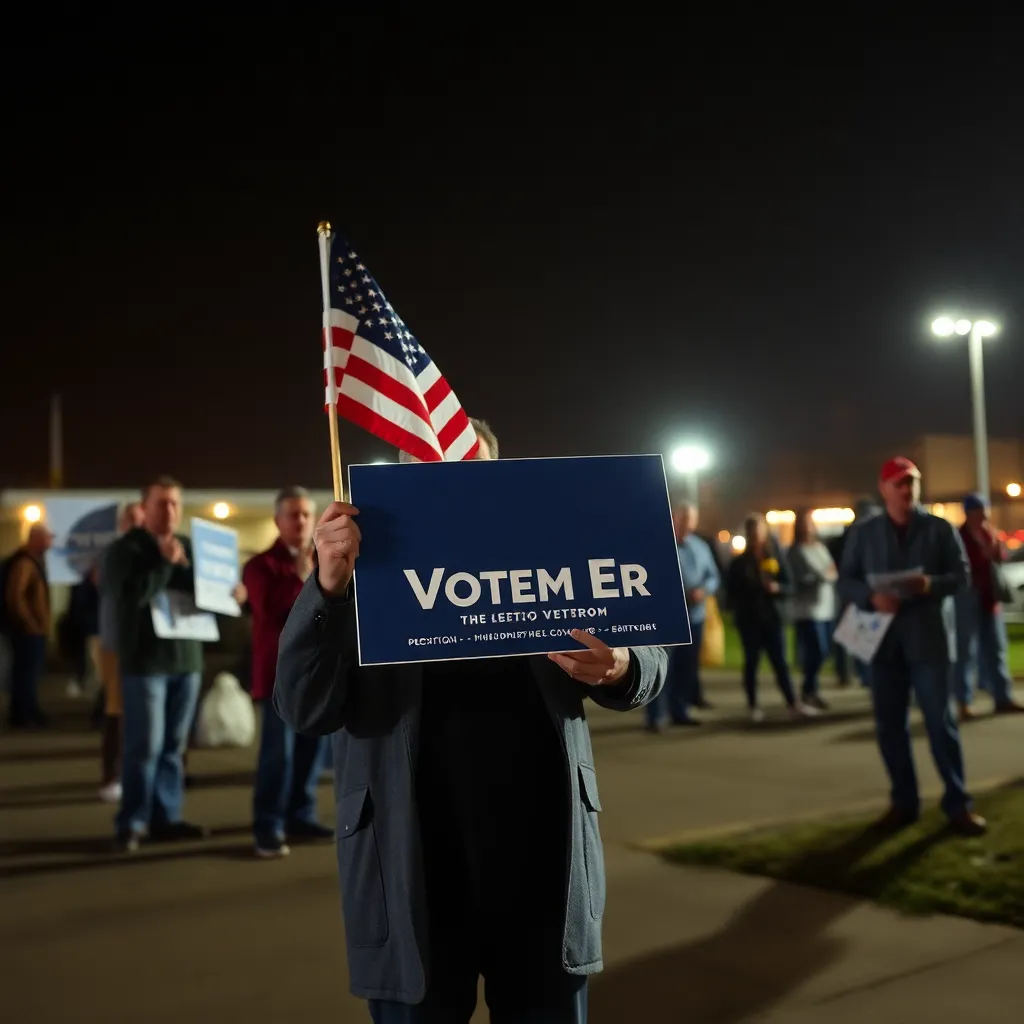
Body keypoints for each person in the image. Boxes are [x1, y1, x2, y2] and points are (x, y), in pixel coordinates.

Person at [274, 421, 667, 1023]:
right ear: (399, 477)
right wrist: (328, 588)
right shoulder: (360, 572)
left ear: (498, 476)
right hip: (414, 876)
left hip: (543, 870)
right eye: (426, 467)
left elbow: (650, 655)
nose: (447, 481)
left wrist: (619, 665)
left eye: (465, 466)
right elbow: (303, 706)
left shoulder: (552, 546)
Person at [838, 456, 984, 836]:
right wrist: (871, 597)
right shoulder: (865, 533)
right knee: (890, 727)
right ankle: (904, 802)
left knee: (940, 724)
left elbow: (962, 577)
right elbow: (845, 581)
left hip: (928, 643)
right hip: (883, 643)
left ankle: (958, 804)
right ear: (884, 488)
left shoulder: (939, 529)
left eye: (912, 483)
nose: (907, 490)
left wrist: (929, 586)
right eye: (899, 483)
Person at [103, 476, 217, 852]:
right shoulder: (126, 550)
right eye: (161, 504)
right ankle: (132, 821)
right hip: (146, 664)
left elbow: (207, 594)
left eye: (174, 504)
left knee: (173, 747)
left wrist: (231, 591)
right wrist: (165, 565)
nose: (169, 511)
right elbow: (130, 596)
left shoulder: (187, 545)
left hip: (187, 659)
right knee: (144, 747)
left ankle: (166, 817)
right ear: (145, 507)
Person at [243, 485, 332, 858]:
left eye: (306, 514)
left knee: (311, 753)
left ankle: (300, 814)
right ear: (277, 520)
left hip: (320, 673)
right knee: (278, 756)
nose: (300, 521)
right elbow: (268, 612)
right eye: (293, 515)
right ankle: (269, 825)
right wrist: (299, 578)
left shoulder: (326, 559)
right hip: (279, 677)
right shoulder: (260, 566)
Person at [725, 515, 817, 722]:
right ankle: (752, 706)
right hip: (749, 620)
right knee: (751, 663)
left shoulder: (774, 557)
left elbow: (790, 585)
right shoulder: (739, 563)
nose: (757, 535)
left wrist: (778, 588)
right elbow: (730, 593)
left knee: (780, 662)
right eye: (753, 531)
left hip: (773, 618)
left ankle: (793, 703)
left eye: (760, 530)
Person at [644, 501, 719, 730]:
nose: (687, 522)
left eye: (691, 518)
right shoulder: (658, 545)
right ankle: (655, 716)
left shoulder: (701, 547)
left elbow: (713, 576)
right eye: (682, 518)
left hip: (694, 617)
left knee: (687, 667)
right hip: (667, 618)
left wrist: (703, 590)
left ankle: (681, 710)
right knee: (661, 667)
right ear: (674, 518)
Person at [953, 493, 1024, 719]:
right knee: (966, 651)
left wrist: (997, 552)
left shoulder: (989, 532)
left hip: (989, 599)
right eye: (979, 510)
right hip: (968, 598)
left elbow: (999, 558)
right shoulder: (960, 536)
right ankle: (964, 701)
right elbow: (958, 566)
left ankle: (1002, 696)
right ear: (969, 513)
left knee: (996, 648)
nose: (983, 514)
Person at [96, 501, 146, 803]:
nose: (137, 523)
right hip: (116, 643)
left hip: (142, 645)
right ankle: (111, 775)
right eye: (132, 518)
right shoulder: (115, 554)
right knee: (116, 710)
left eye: (141, 518)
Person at [2, 523, 54, 729]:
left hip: (31, 629)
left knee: (27, 673)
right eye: (47, 538)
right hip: (28, 631)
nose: (50, 542)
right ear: (37, 539)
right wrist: (30, 622)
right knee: (26, 673)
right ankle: (24, 714)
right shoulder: (25, 563)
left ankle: (27, 711)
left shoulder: (31, 561)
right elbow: (15, 597)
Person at [787, 508, 839, 710]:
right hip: (807, 610)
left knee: (825, 651)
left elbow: (831, 569)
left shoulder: (819, 547)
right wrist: (824, 574)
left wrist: (825, 574)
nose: (809, 526)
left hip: (826, 607)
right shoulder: (796, 551)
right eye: (805, 522)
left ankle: (812, 690)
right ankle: (808, 689)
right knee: (818, 650)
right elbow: (810, 575)